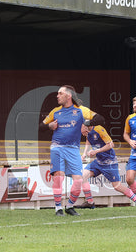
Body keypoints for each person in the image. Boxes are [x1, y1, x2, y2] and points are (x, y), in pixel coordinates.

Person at [40, 85, 105, 216]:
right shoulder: (55, 111)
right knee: (59, 178)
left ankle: (69, 206)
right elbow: (41, 126)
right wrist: (49, 126)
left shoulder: (81, 111)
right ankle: (58, 208)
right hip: (57, 148)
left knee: (78, 180)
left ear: (68, 96)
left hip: (73, 149)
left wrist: (86, 123)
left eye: (60, 93)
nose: (57, 95)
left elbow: (100, 119)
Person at [78, 124, 136, 208]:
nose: (83, 134)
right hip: (98, 162)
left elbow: (111, 144)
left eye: (83, 132)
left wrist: (96, 151)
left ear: (85, 128)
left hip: (109, 162)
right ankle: (90, 202)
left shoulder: (99, 129)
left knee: (118, 186)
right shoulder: (88, 133)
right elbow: (88, 140)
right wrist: (84, 154)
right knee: (82, 177)